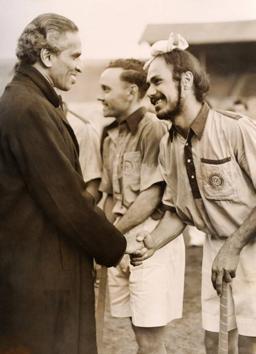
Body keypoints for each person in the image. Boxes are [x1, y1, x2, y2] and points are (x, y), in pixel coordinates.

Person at [0, 13, 143, 354]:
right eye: (74, 56)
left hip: (38, 268)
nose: (80, 66)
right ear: (47, 57)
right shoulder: (28, 108)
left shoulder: (31, 103)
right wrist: (115, 245)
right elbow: (65, 198)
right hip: (38, 276)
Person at [132, 33, 256, 354]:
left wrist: (234, 246)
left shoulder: (235, 129)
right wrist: (149, 245)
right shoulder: (167, 145)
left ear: (185, 81)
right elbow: (178, 211)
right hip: (218, 249)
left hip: (251, 246)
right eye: (147, 85)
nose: (150, 94)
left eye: (157, 81)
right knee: (214, 343)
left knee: (249, 343)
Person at [98, 58, 185, 354]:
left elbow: (151, 196)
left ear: (132, 92)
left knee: (151, 342)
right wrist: (107, 237)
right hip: (120, 236)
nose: (101, 96)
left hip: (150, 239)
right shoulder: (111, 134)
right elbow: (109, 195)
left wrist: (109, 235)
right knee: (140, 335)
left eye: (106, 89)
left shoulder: (154, 130)